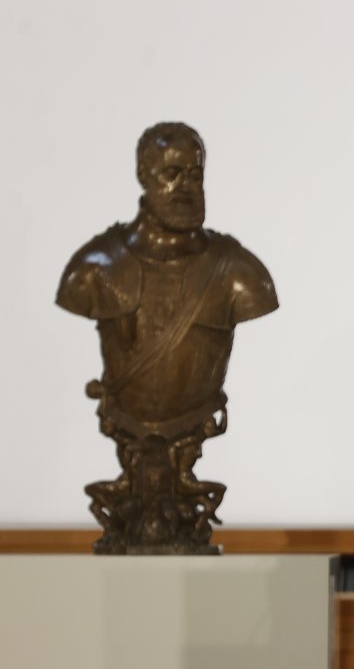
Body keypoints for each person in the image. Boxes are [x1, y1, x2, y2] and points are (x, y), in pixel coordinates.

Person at [56, 122, 278, 553]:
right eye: (171, 174)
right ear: (143, 176)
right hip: (128, 426)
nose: (186, 187)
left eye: (194, 174)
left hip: (192, 426)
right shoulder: (94, 268)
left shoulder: (237, 273)